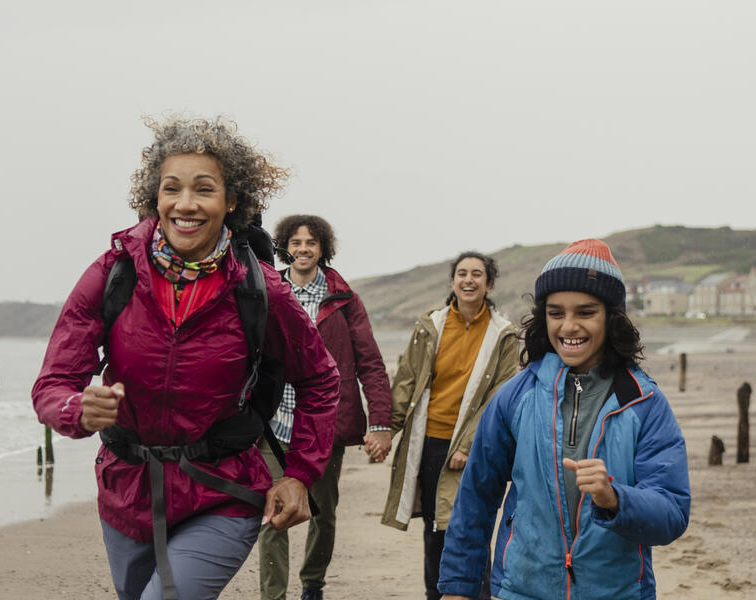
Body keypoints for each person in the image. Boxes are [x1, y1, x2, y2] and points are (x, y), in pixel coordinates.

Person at [31, 115, 341, 600]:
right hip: (126, 490)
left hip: (223, 490)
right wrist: (77, 409)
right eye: (171, 188)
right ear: (154, 196)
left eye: (204, 189)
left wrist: (300, 474)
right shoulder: (114, 274)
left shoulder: (261, 291)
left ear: (231, 201)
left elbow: (321, 380)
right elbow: (52, 383)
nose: (186, 204)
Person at [438, 239, 691, 600]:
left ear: (611, 317)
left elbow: (672, 513)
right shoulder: (515, 396)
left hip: (617, 592)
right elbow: (476, 498)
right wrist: (458, 588)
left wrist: (614, 497)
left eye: (585, 312)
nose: (569, 326)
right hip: (522, 589)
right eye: (556, 313)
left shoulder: (644, 402)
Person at [255, 214, 392, 600]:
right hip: (273, 423)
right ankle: (274, 595)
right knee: (272, 513)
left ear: (322, 249)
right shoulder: (268, 289)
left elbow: (370, 363)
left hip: (323, 425)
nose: (302, 249)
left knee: (323, 513)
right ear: (285, 246)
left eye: (310, 243)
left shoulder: (345, 300)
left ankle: (312, 583)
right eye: (295, 242)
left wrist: (381, 421)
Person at [380, 251, 525, 600]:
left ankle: (482, 595)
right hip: (430, 443)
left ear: (489, 284)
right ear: (452, 282)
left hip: (477, 449)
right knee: (435, 531)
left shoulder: (504, 334)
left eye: (477, 274)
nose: (468, 280)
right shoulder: (431, 325)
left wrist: (469, 444)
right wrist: (386, 428)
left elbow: (500, 395)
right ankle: (437, 595)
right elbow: (407, 381)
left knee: (472, 527)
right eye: (462, 273)